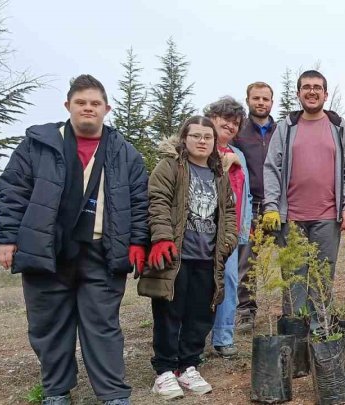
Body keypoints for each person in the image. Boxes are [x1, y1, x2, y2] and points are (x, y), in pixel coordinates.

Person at [0, 74, 147, 405]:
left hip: (102, 252)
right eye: (81, 103)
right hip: (47, 250)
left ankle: (114, 395)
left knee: (103, 326)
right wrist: (5, 238)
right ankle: (57, 391)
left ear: (107, 108)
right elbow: (12, 192)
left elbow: (139, 202)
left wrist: (137, 243)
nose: (88, 108)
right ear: (68, 106)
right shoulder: (38, 145)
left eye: (94, 103)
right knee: (49, 326)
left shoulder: (125, 153)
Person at [138, 116, 237, 399]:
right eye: (196, 136)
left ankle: (189, 365)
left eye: (207, 136)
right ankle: (165, 370)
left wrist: (227, 242)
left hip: (208, 257)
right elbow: (156, 201)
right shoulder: (170, 167)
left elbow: (228, 212)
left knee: (200, 313)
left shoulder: (219, 174)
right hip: (176, 255)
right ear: (184, 138)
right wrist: (162, 238)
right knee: (169, 311)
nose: (202, 141)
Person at [261, 70, 345, 323]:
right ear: (298, 94)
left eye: (317, 87)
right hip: (291, 217)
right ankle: (295, 332)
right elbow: (272, 167)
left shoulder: (338, 127)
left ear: (325, 94)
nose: (312, 91)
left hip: (327, 217)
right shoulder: (286, 128)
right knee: (294, 278)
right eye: (306, 87)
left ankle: (320, 330)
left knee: (322, 277)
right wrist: (271, 206)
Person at [205, 97, 253, 357]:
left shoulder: (240, 156)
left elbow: (244, 194)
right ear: (212, 118)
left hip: (231, 233)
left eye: (236, 123)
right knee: (202, 284)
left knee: (230, 282)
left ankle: (223, 337)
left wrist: (244, 228)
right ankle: (194, 337)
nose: (231, 126)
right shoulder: (201, 147)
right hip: (203, 231)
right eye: (226, 120)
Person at [232, 81, 277, 332]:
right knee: (246, 261)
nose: (261, 102)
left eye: (266, 99)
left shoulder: (280, 131)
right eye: (256, 98)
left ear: (272, 102)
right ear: (248, 100)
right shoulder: (239, 132)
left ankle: (292, 309)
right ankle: (246, 311)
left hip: (278, 205)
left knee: (292, 257)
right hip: (250, 206)